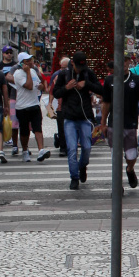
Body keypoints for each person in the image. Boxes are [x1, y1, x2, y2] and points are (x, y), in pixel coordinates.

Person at [53, 51, 104, 189]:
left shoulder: (88, 73)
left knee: (87, 147)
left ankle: (82, 166)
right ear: (72, 63)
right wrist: (66, 88)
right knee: (72, 148)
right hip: (69, 117)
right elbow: (55, 92)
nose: (80, 70)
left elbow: (101, 89)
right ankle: (74, 177)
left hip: (85, 116)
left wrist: (86, 84)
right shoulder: (63, 75)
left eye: (83, 67)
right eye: (78, 67)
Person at [100, 60, 139, 189]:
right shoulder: (109, 80)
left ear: (128, 63)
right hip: (113, 123)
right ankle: (117, 185)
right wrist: (103, 122)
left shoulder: (137, 80)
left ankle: (130, 169)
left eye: (124, 62)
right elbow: (106, 103)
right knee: (115, 156)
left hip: (130, 122)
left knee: (131, 155)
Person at [12, 53, 50, 162]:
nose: (30, 62)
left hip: (34, 104)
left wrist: (41, 86)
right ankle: (25, 150)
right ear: (22, 63)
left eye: (31, 59)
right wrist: (27, 72)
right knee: (24, 131)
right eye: (27, 60)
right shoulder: (18, 74)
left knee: (38, 127)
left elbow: (39, 84)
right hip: (22, 106)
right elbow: (28, 86)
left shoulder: (33, 71)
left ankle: (41, 150)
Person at [0, 46, 20, 155]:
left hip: (14, 94)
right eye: (7, 52)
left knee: (13, 119)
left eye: (10, 52)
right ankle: (6, 136)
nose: (9, 54)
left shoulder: (15, 65)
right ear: (3, 54)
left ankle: (11, 138)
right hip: (2, 94)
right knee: (5, 117)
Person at [49, 58, 70, 157]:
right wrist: (50, 103)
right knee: (62, 127)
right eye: (62, 68)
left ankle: (66, 144)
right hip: (60, 106)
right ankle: (63, 147)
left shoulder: (73, 75)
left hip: (71, 106)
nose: (64, 70)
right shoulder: (57, 75)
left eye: (65, 68)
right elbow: (53, 90)